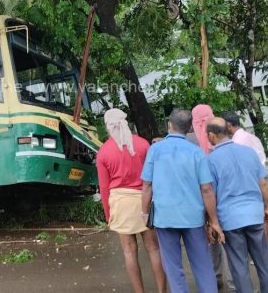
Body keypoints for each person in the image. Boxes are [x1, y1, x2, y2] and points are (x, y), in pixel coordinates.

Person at [141, 108, 224, 293]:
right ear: (189, 129)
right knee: (203, 266)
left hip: (165, 217)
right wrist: (214, 221)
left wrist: (144, 213)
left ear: (169, 125)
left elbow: (147, 186)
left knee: (174, 269)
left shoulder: (155, 150)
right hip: (193, 218)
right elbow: (207, 189)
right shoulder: (197, 152)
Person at [96, 108, 166, 293]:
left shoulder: (103, 152)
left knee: (129, 251)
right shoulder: (143, 144)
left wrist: (108, 214)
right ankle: (162, 291)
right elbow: (154, 176)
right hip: (144, 199)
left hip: (120, 203)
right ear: (126, 123)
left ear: (108, 127)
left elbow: (104, 188)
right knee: (154, 249)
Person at [206, 117, 268, 292]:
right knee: (263, 261)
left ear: (212, 135)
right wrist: (266, 207)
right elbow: (263, 183)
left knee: (239, 265)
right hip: (254, 215)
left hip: (230, 219)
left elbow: (210, 193)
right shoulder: (248, 152)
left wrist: (213, 221)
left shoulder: (211, 160)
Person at [191, 104, 235, 292]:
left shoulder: (190, 140)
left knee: (210, 241)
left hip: (203, 199)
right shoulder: (222, 135)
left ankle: (215, 278)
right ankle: (234, 283)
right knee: (229, 243)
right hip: (225, 198)